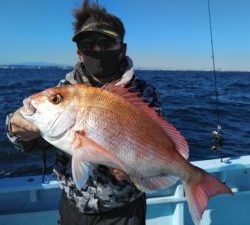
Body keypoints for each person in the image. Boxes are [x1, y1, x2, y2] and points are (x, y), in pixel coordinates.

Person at [6, 1, 162, 224]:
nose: (97, 50)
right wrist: (15, 127)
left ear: (122, 49)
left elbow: (155, 146)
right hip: (74, 207)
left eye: (107, 42)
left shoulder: (144, 93)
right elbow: (25, 138)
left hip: (125, 211)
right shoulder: (60, 93)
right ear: (79, 53)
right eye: (88, 44)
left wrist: (134, 171)